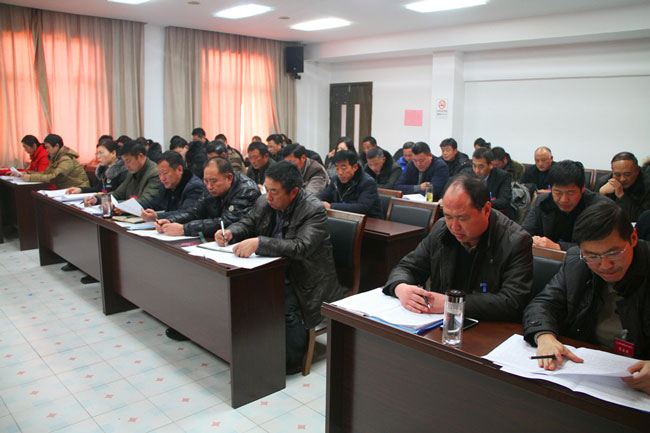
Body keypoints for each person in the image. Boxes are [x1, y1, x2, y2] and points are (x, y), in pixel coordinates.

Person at [216, 161, 345, 373]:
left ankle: (293, 359)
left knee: (280, 302)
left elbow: (301, 247)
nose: (268, 196)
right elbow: (248, 222)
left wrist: (260, 243)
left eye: (274, 192)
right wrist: (231, 232)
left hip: (307, 277)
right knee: (241, 291)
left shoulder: (313, 210)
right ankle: (254, 345)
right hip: (272, 269)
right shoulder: (265, 201)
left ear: (293, 192)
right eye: (267, 189)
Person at [523, 202, 650, 394]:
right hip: (586, 372)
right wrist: (544, 335)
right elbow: (543, 304)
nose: (605, 265)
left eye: (614, 253)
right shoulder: (577, 262)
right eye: (592, 256)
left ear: (633, 238)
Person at [383, 174, 533, 321]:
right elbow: (408, 267)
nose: (454, 227)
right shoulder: (442, 229)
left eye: (463, 218)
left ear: (486, 210)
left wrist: (452, 303)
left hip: (488, 327)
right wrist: (400, 287)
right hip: (440, 323)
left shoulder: (516, 241)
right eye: (448, 216)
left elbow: (512, 301)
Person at [155, 157, 260, 237]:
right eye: (206, 181)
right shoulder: (211, 188)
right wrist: (171, 220)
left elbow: (227, 222)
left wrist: (184, 229)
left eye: (214, 181)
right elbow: (195, 211)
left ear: (229, 178)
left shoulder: (246, 190)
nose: (209, 186)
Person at [523, 160, 612, 251]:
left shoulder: (601, 207)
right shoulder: (542, 201)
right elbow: (525, 232)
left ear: (582, 188)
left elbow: (600, 245)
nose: (564, 200)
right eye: (558, 192)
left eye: (571, 193)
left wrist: (558, 247)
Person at [84, 140, 160, 206]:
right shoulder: (132, 171)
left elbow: (146, 201)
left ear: (140, 156)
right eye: (124, 161)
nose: (126, 165)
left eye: (128, 160)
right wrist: (97, 199)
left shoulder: (154, 173)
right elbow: (118, 194)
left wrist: (116, 205)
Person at [139, 151, 206, 221]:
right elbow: (156, 203)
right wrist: (137, 208)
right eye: (159, 174)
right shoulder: (168, 184)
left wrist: (157, 216)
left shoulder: (195, 187)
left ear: (179, 169)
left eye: (165, 173)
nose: (162, 178)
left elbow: (186, 213)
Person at [319, 150, 383, 218]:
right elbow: (323, 197)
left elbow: (362, 207)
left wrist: (331, 206)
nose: (340, 173)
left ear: (355, 167)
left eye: (343, 168)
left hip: (370, 220)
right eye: (337, 168)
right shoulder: (335, 180)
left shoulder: (368, 182)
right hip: (345, 218)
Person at [21, 134, 89, 189]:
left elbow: (55, 177)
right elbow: (46, 173)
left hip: (78, 189)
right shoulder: (55, 158)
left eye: (47, 147)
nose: (46, 150)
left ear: (56, 146)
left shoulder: (66, 159)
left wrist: (30, 178)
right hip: (67, 189)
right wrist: (28, 173)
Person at [599, 152, 650, 221]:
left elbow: (643, 218)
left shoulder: (647, 185)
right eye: (617, 174)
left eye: (627, 174)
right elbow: (595, 216)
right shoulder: (604, 182)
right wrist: (601, 195)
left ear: (638, 170)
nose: (622, 179)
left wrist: (621, 196)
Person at [472, 147, 514, 220]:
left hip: (496, 216)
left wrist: (480, 204)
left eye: (481, 166)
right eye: (474, 166)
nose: (477, 170)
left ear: (491, 165)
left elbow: (504, 201)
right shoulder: (468, 175)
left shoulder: (503, 176)